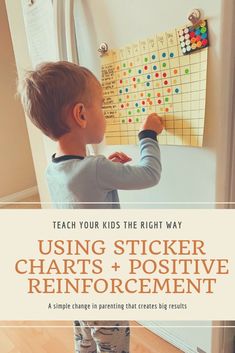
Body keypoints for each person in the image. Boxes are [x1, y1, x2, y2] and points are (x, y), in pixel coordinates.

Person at [18, 61, 164, 353]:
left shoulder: (55, 169)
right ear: (81, 114)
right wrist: (148, 135)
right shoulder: (94, 169)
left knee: (85, 340)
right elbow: (151, 174)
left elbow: (80, 192)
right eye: (102, 105)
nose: (106, 114)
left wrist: (104, 169)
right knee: (114, 345)